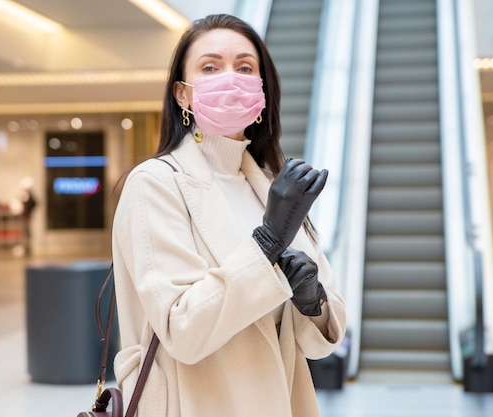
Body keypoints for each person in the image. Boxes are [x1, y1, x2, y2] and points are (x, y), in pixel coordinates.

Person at [111, 14, 346, 417]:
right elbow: (183, 330)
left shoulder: (270, 187)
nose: (230, 78)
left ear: (262, 92)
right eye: (209, 67)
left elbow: (320, 342)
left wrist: (312, 302)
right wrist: (266, 243)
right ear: (182, 95)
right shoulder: (155, 184)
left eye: (244, 68)